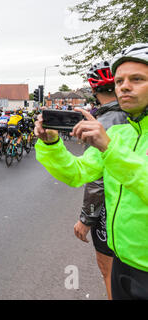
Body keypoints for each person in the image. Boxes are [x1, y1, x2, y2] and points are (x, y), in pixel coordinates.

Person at [34, 43, 148, 300]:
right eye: (120, 81)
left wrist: (109, 148)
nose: (124, 87)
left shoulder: (110, 138)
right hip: (122, 259)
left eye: (137, 79)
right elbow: (78, 173)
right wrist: (52, 144)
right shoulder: (119, 132)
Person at [73, 61, 128, 300]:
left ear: (93, 90)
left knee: (111, 272)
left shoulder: (100, 123)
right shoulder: (135, 115)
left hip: (112, 207)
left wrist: (87, 218)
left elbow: (96, 179)